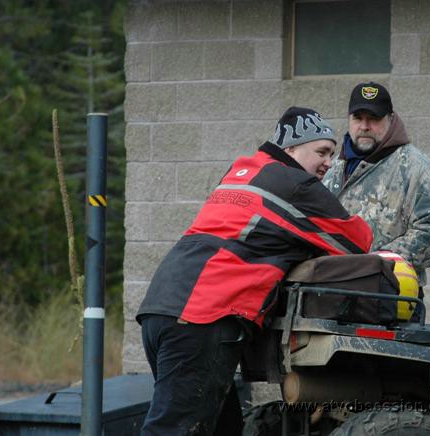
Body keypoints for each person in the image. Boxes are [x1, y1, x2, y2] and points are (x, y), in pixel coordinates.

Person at [136, 107, 372, 436]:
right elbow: (357, 242)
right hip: (203, 316)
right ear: (291, 149)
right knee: (175, 430)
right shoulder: (295, 184)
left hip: (161, 308)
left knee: (221, 428)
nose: (328, 163)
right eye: (321, 152)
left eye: (332, 154)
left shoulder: (240, 171)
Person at [322, 82, 430, 287]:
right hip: (330, 292)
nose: (364, 126)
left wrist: (375, 263)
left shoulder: (414, 167)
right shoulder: (331, 168)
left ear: (390, 119)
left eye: (373, 118)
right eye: (358, 118)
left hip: (389, 297)